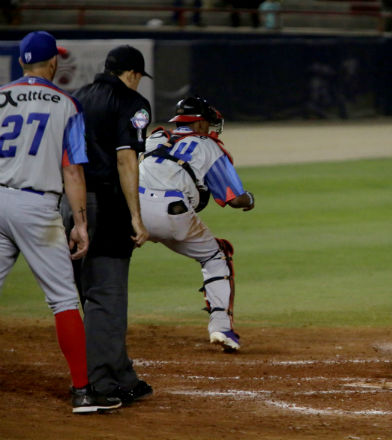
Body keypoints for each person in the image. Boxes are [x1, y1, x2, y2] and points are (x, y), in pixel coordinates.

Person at [0, 31, 121, 413]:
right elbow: (73, 172)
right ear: (54, 62)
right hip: (37, 209)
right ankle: (84, 392)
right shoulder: (67, 104)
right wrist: (80, 223)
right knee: (65, 300)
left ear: (21, 62)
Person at [62, 44, 153, 406]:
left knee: (90, 293)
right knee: (107, 296)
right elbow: (126, 161)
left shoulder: (75, 98)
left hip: (70, 204)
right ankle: (101, 382)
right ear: (132, 73)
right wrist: (136, 215)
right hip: (106, 206)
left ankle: (120, 374)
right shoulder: (133, 103)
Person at [138, 96, 255, 352]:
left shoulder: (154, 137)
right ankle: (221, 327)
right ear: (200, 123)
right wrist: (250, 199)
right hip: (173, 213)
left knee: (112, 259)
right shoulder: (209, 147)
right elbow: (234, 199)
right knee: (216, 256)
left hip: (133, 211)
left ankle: (97, 320)